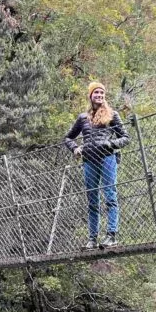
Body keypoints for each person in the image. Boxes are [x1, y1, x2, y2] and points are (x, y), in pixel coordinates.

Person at [64, 81, 130, 248]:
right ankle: (92, 239)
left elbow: (125, 138)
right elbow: (68, 138)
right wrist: (75, 148)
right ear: (91, 95)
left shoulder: (112, 114)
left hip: (108, 157)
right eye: (96, 93)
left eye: (102, 93)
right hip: (89, 161)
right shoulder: (83, 118)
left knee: (110, 195)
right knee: (92, 200)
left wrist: (111, 144)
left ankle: (111, 235)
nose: (99, 95)